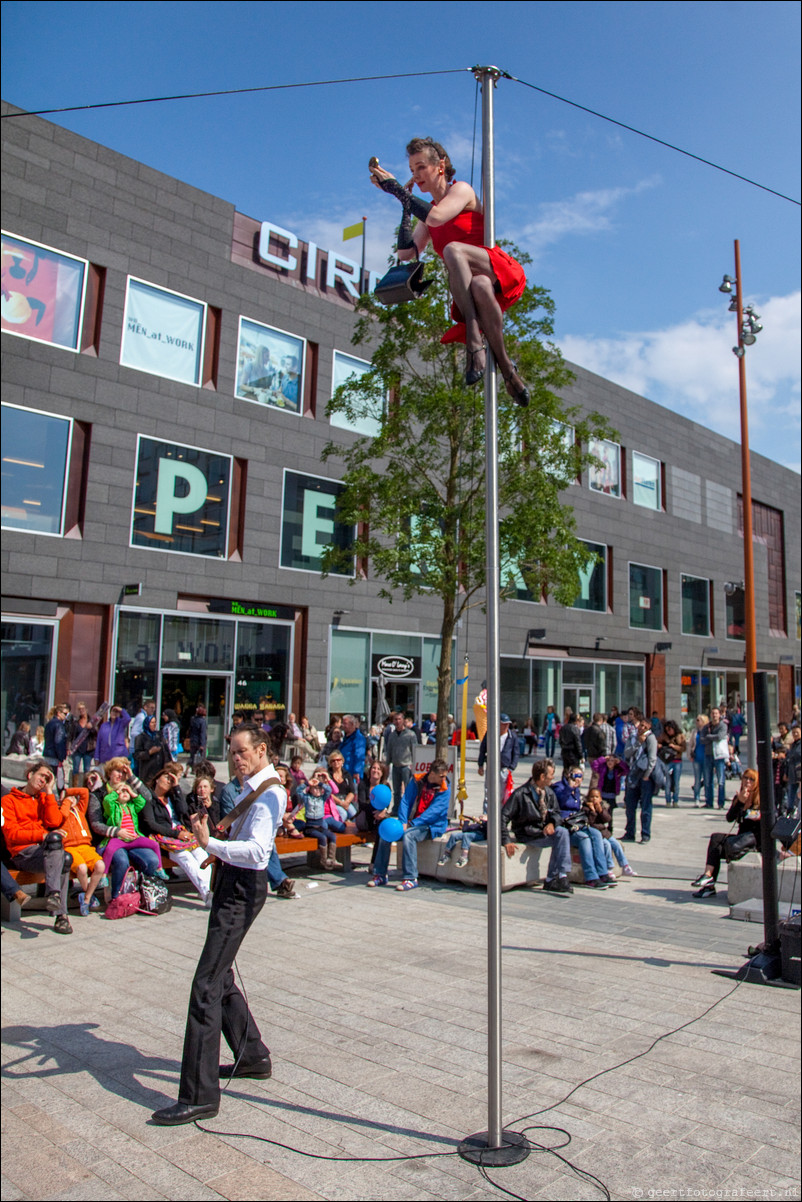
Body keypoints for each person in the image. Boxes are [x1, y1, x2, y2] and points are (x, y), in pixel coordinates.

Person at [151, 723, 287, 1125]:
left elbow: (258, 852)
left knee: (205, 985)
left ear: (262, 750)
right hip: (232, 883)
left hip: (243, 888)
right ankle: (253, 1055)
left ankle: (199, 1096)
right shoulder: (252, 787)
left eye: (242, 752)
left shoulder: (270, 794)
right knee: (221, 976)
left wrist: (209, 844)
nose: (236, 759)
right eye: (232, 753)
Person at [371, 138, 529, 406]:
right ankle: (508, 370)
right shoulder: (430, 214)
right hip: (472, 284)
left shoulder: (461, 191)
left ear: (440, 165)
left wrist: (397, 189)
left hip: (494, 265)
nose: (416, 175)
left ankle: (472, 340)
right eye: (412, 170)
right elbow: (406, 253)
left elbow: (435, 217)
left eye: (421, 167)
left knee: (454, 249)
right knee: (478, 285)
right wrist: (404, 205)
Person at [2, 760, 74, 934]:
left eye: (47, 778)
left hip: (44, 852)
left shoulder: (43, 799)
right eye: (41, 775)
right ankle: (59, 909)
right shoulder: (9, 800)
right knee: (57, 847)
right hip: (22, 854)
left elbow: (54, 821)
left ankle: (58, 907)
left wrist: (50, 792)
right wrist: (41, 836)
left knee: (65, 858)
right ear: (29, 775)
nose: (43, 780)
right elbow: (12, 834)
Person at [367, 759, 451, 891]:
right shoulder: (417, 780)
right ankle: (380, 874)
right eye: (441, 776)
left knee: (409, 836)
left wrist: (411, 824)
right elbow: (406, 800)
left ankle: (411, 877)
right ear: (432, 773)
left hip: (431, 826)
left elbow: (433, 813)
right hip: (412, 821)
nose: (444, 779)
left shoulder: (444, 789)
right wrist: (403, 821)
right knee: (386, 832)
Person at [85, 764, 163, 899]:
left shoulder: (128, 792)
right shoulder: (99, 794)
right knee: (121, 861)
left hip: (133, 838)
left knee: (151, 860)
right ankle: (117, 897)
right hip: (111, 839)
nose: (121, 775)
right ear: (109, 773)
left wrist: (131, 777)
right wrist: (117, 831)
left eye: (124, 772)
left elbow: (147, 798)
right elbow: (96, 824)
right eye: (117, 771)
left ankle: (144, 893)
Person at [139, 766, 213, 904]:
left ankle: (206, 891)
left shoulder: (172, 797)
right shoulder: (149, 798)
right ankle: (207, 894)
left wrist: (177, 787)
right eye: (166, 777)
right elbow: (152, 825)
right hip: (165, 839)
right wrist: (176, 834)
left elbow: (184, 812)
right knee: (187, 859)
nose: (169, 781)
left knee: (202, 856)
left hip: (183, 835)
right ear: (156, 779)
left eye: (171, 779)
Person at [500, 760, 573, 894]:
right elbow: (502, 817)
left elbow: (557, 813)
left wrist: (552, 823)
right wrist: (506, 840)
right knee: (561, 835)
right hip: (528, 834)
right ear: (542, 777)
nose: (553, 777)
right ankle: (556, 877)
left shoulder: (549, 793)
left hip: (542, 832)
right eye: (551, 774)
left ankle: (558, 876)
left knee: (562, 833)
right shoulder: (521, 794)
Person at [691, 769, 762, 898]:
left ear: (757, 783)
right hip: (740, 840)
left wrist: (758, 816)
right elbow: (729, 818)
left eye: (752, 779)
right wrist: (740, 802)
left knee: (719, 841)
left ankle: (709, 881)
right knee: (716, 839)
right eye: (745, 778)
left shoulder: (761, 800)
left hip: (754, 841)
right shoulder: (739, 797)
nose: (747, 781)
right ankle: (708, 879)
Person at [553, 766, 615, 887]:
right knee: (584, 838)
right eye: (575, 775)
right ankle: (591, 877)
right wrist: (569, 787)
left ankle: (602, 873)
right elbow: (561, 802)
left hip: (578, 823)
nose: (578, 779)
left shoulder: (576, 791)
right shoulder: (559, 787)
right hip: (566, 826)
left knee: (596, 834)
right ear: (568, 775)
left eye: (580, 776)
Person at [582, 787, 636, 877]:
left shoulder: (603, 807)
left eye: (596, 797)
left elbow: (607, 819)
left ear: (600, 798)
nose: (594, 799)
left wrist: (601, 811)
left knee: (616, 844)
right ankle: (609, 868)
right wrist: (593, 811)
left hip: (605, 833)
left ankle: (625, 865)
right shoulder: (586, 809)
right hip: (595, 834)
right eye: (592, 797)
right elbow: (590, 822)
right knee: (606, 845)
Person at [623, 719, 660, 843]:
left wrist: (647, 774)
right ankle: (629, 832)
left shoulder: (651, 739)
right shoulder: (633, 738)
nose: (642, 728)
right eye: (641, 725)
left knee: (645, 806)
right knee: (630, 805)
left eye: (645, 726)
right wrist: (638, 743)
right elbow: (627, 753)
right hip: (633, 774)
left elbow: (652, 758)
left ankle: (645, 834)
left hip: (644, 776)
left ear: (649, 727)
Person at [384, 711, 419, 812]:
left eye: (399, 719)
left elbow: (415, 750)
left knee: (408, 789)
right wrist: (387, 763)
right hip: (395, 765)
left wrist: (414, 765)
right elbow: (389, 750)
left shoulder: (410, 734)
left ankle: (407, 809)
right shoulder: (392, 735)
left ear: (403, 720)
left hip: (406, 765)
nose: (397, 721)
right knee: (396, 790)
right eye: (395, 719)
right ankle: (396, 809)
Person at [477, 713, 520, 791]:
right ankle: (488, 803)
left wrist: (511, 768)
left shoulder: (512, 736)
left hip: (504, 768)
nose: (506, 726)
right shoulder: (490, 734)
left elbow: (516, 753)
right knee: (489, 790)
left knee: (504, 792)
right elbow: (483, 749)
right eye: (503, 724)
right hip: (491, 767)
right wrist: (480, 765)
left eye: (507, 724)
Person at [701, 707, 729, 809]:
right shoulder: (706, 727)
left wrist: (709, 737)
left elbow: (720, 736)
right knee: (708, 780)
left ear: (719, 715)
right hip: (708, 755)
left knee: (721, 780)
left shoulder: (723, 726)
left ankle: (721, 803)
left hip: (719, 755)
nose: (714, 715)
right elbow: (702, 739)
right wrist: (711, 737)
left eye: (716, 713)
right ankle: (709, 802)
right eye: (713, 713)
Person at [134, 713, 172, 785]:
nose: (154, 724)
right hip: (147, 771)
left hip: (160, 769)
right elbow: (137, 755)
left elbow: (166, 751)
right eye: (152, 722)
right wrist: (149, 752)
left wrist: (169, 765)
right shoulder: (140, 737)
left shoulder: (159, 735)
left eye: (155, 722)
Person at [658, 720, 686, 807]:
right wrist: (660, 745)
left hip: (677, 761)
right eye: (667, 730)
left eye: (670, 730)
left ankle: (676, 801)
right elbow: (656, 741)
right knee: (668, 782)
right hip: (667, 761)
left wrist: (674, 746)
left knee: (676, 782)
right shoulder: (664, 735)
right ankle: (668, 801)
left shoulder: (680, 735)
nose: (668, 732)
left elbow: (683, 748)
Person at [66, 703, 96, 782]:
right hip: (77, 749)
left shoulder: (92, 722)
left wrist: (91, 727)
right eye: (79, 709)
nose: (81, 711)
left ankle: (86, 787)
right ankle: (74, 788)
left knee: (87, 769)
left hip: (88, 749)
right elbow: (71, 736)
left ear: (86, 710)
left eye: (83, 709)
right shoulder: (76, 723)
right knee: (75, 768)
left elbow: (96, 734)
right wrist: (68, 748)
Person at [688, 715, 709, 808]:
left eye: (698, 720)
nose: (696, 722)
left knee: (707, 780)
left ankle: (708, 799)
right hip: (697, 758)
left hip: (707, 758)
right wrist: (690, 755)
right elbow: (690, 744)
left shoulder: (708, 731)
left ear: (703, 721)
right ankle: (696, 798)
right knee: (697, 780)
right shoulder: (695, 732)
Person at [339, 714, 366, 783]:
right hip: (343, 771)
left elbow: (359, 756)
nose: (343, 725)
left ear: (352, 724)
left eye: (345, 723)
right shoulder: (346, 738)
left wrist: (357, 771)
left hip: (352, 772)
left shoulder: (358, 738)